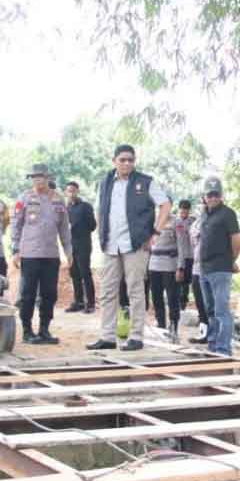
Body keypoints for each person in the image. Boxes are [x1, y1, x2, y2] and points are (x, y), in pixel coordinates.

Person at [87, 144, 170, 352]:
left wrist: (156, 233)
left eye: (130, 160)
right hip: (110, 245)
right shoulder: (105, 182)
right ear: (114, 160)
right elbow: (99, 209)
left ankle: (135, 336)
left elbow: (165, 205)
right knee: (107, 292)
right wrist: (101, 233)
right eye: (122, 159)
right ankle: (107, 336)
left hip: (135, 244)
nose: (126, 163)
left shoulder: (145, 182)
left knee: (135, 290)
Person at [11, 163, 72, 345]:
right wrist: (15, 250)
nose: (37, 179)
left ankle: (44, 330)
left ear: (48, 178)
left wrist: (69, 252)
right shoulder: (24, 198)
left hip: (51, 255)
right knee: (27, 294)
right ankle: (27, 331)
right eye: (34, 176)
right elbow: (16, 225)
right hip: (29, 254)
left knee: (49, 294)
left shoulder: (58, 200)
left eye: (40, 176)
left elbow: (64, 228)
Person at [198, 177, 240, 356]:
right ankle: (213, 345)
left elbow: (237, 240)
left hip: (221, 269)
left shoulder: (227, 213)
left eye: (216, 195)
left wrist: (231, 260)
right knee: (210, 310)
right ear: (204, 197)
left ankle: (223, 349)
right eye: (210, 195)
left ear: (221, 196)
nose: (213, 198)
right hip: (205, 269)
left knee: (222, 310)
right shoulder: (205, 214)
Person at [147, 198, 184, 342]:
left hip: (170, 265)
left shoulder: (177, 222)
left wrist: (180, 267)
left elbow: (182, 246)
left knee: (172, 298)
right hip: (154, 265)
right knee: (156, 297)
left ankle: (173, 327)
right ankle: (161, 326)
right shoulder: (153, 221)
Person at [64, 180, 97, 313]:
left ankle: (91, 304)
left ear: (77, 191)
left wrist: (79, 227)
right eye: (68, 191)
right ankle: (78, 302)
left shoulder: (85, 206)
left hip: (83, 244)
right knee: (74, 274)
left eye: (73, 191)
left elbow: (93, 226)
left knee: (85, 273)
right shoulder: (66, 208)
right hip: (70, 246)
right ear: (66, 193)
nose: (71, 193)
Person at [187, 196, 210, 344]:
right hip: (196, 266)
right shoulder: (197, 222)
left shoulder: (213, 220)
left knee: (209, 302)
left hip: (210, 267)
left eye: (204, 203)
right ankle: (203, 332)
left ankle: (212, 333)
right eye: (202, 203)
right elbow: (192, 240)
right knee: (199, 301)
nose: (202, 206)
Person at [175, 199, 195, 310]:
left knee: (186, 282)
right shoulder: (175, 221)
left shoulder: (193, 221)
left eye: (186, 211)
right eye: (182, 211)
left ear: (189, 211)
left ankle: (183, 304)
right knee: (177, 281)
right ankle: (176, 304)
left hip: (190, 256)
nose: (184, 214)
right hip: (177, 256)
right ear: (179, 209)